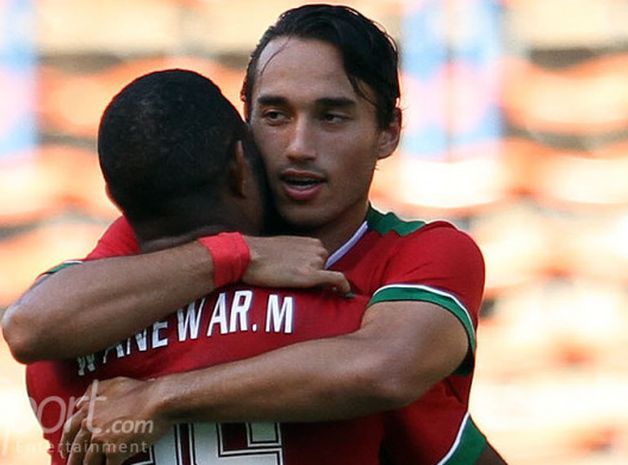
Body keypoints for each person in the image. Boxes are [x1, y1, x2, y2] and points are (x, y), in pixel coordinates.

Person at [4, 5, 506, 464]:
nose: (298, 146)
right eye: (275, 115)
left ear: (388, 131)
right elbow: (30, 325)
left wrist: (158, 398)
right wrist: (237, 255)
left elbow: (384, 367)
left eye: (331, 116)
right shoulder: (179, 247)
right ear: (243, 128)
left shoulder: (425, 252)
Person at [27, 68, 385, 465]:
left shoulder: (54, 363)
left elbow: (26, 325)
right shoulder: (346, 328)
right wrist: (239, 253)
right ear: (238, 166)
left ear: (113, 197)